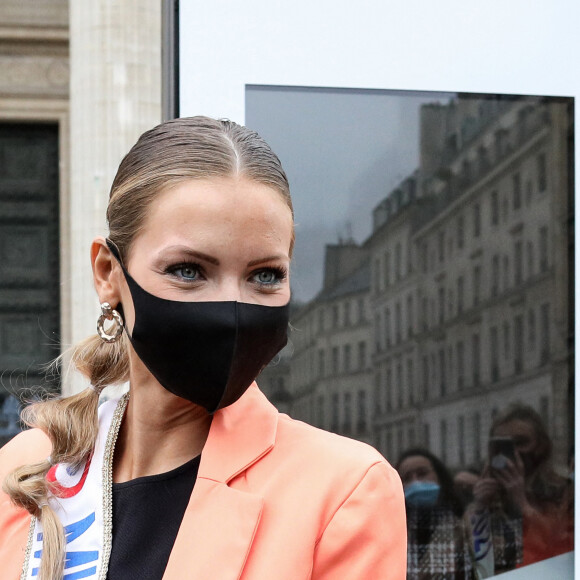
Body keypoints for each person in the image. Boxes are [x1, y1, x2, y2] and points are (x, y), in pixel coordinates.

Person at [0, 117, 406, 580]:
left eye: (265, 275)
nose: (230, 308)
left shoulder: (344, 490)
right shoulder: (23, 468)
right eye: (189, 270)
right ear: (108, 274)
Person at [467, 404, 573, 577]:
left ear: (541, 446)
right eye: (504, 446)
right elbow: (468, 560)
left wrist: (522, 503)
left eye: (521, 442)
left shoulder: (565, 492)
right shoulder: (489, 496)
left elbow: (563, 547)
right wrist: (479, 508)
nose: (514, 452)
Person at [396, 448, 474, 579]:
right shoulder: (396, 534)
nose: (416, 482)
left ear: (439, 477)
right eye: (407, 478)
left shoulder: (464, 523)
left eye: (422, 473)